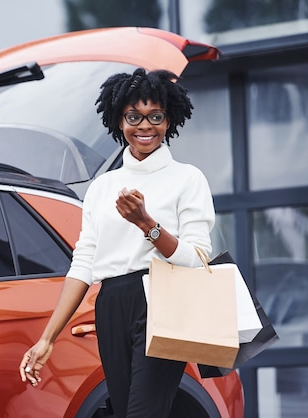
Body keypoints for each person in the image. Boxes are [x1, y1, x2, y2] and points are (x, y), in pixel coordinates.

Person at [19, 68, 215, 417]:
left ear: (168, 120)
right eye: (133, 117)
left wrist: (147, 224)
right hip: (111, 304)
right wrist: (47, 338)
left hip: (163, 299)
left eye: (155, 116)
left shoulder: (188, 178)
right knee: (126, 411)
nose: (145, 126)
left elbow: (197, 260)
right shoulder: (102, 188)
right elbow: (82, 265)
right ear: (118, 121)